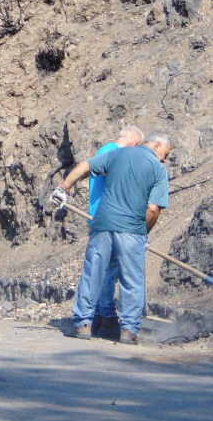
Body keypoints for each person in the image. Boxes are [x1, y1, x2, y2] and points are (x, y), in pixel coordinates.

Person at [51, 132, 172, 344]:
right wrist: (143, 233)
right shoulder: (157, 169)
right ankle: (128, 330)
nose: (164, 159)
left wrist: (64, 188)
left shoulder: (118, 154)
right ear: (157, 145)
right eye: (166, 154)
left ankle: (83, 325)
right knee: (132, 281)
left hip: (103, 225)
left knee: (92, 274)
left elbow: (84, 166)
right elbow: (152, 209)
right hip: (131, 231)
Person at [88, 126, 144, 339]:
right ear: (135, 145)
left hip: (105, 217)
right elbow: (107, 170)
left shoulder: (107, 150)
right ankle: (107, 317)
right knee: (108, 271)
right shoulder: (111, 150)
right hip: (107, 219)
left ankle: (102, 318)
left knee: (106, 270)